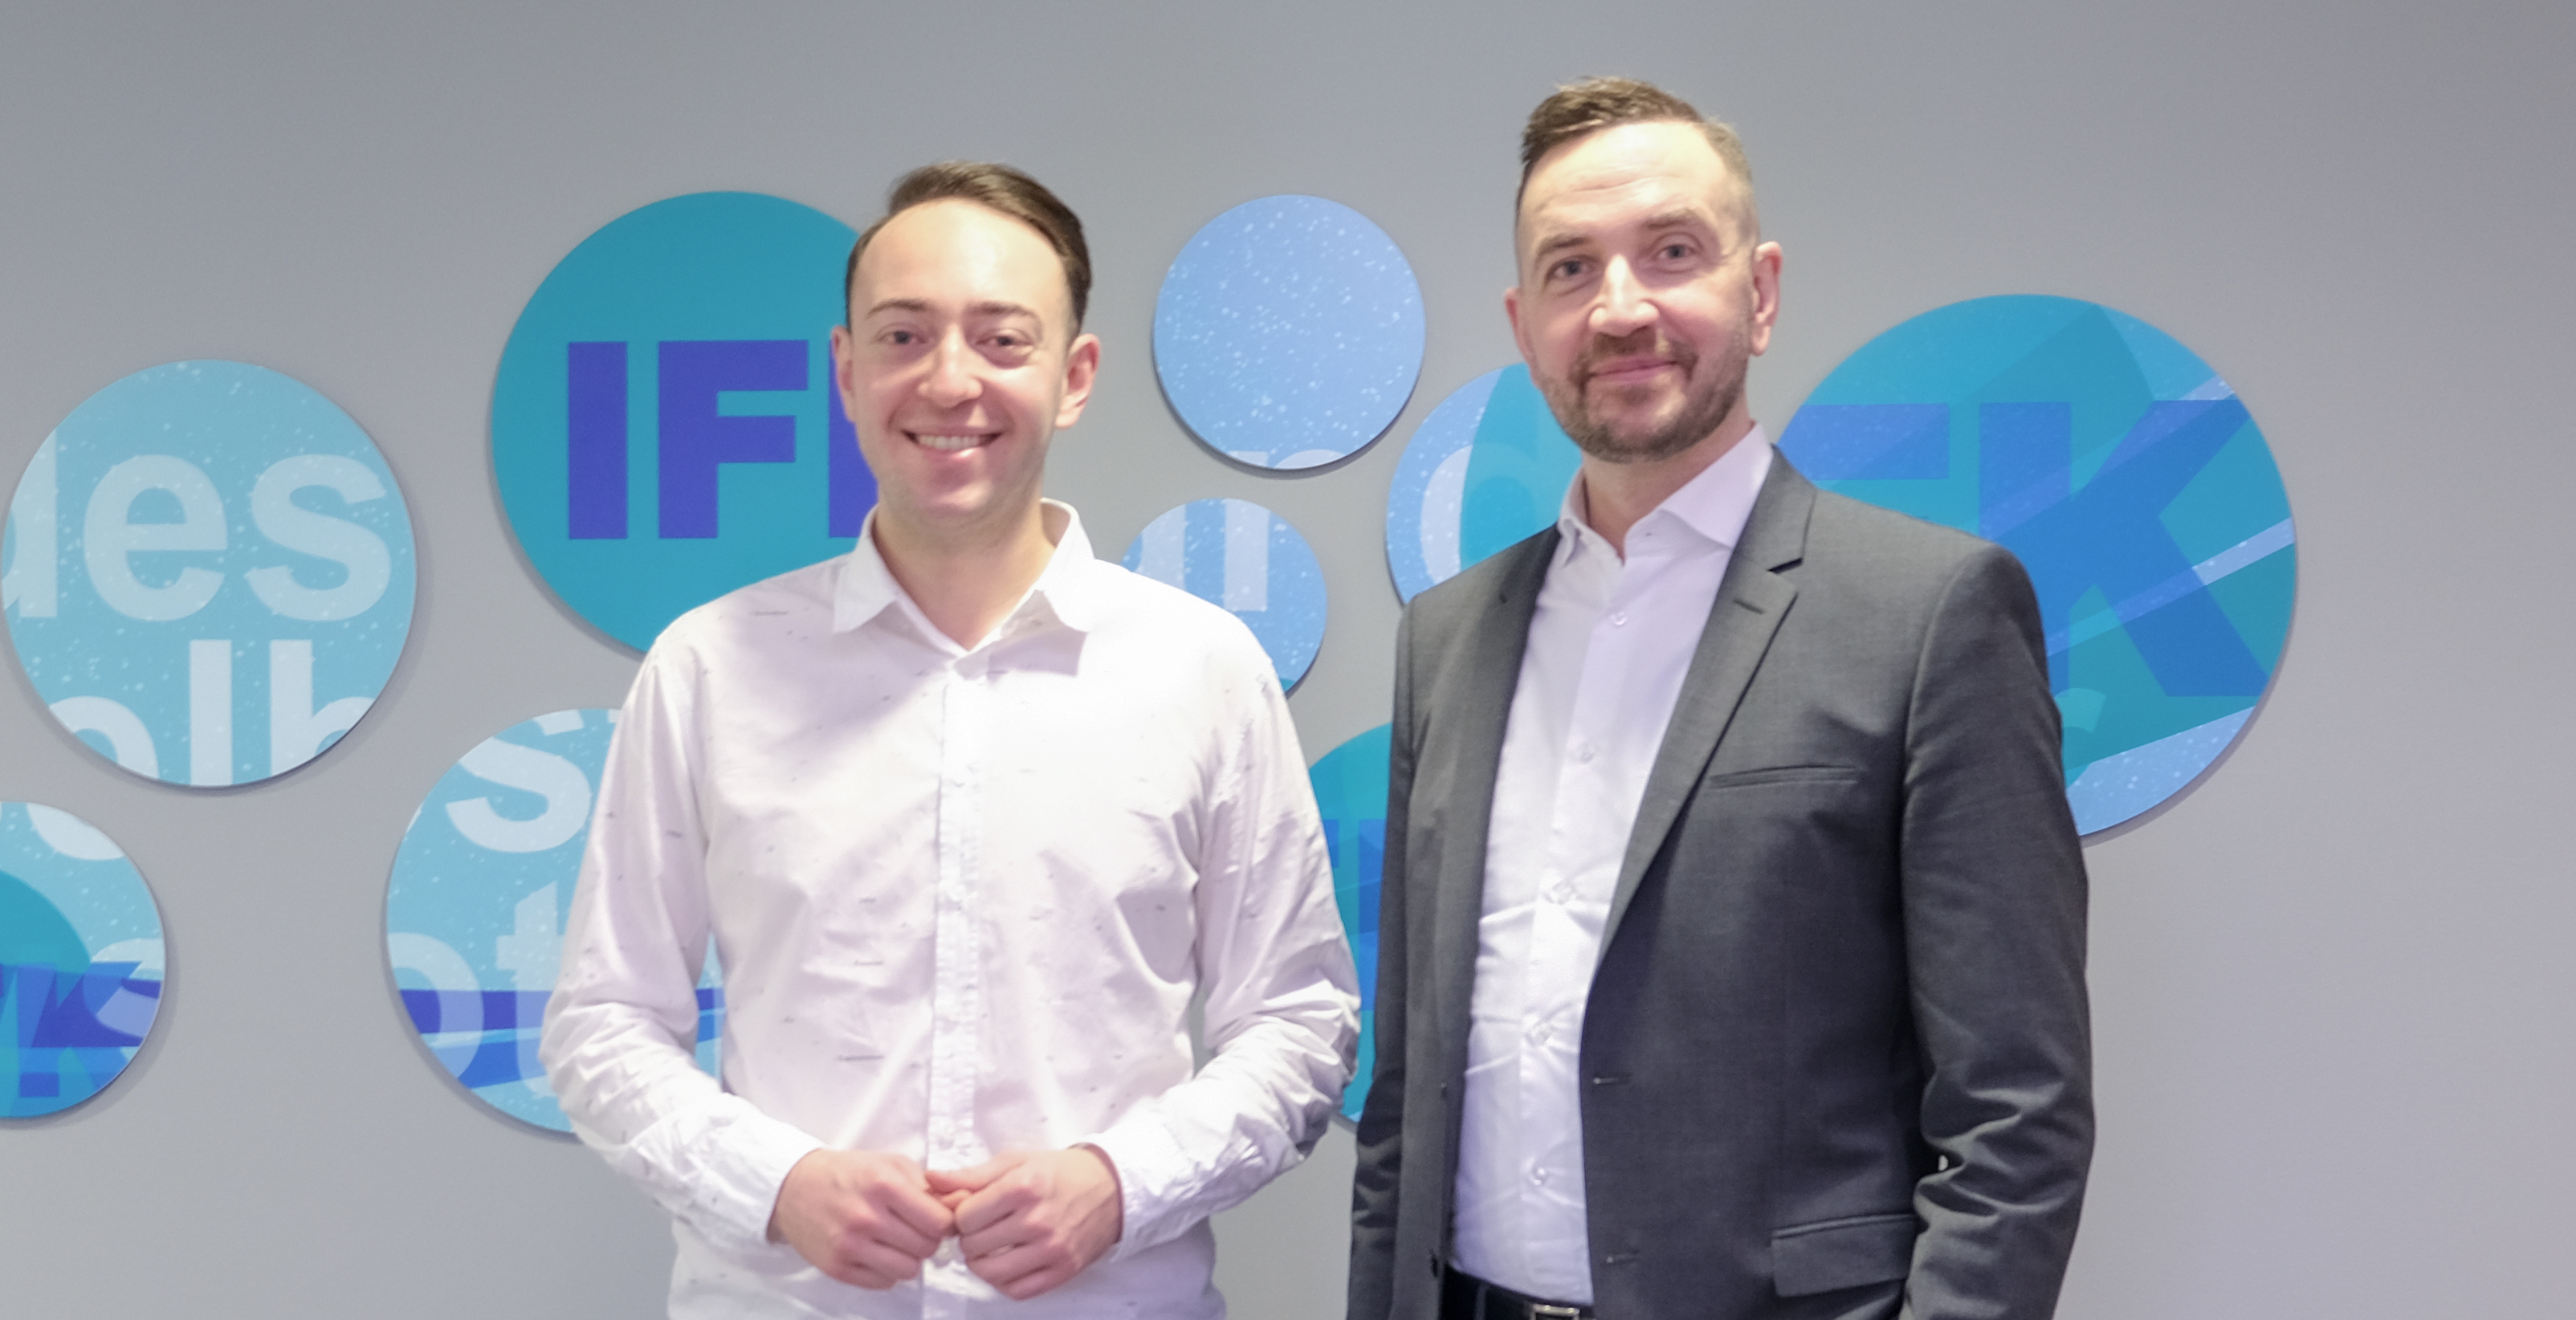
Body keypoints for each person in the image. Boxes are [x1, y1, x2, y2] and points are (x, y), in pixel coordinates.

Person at [543, 161, 1358, 1320]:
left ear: (1075, 377)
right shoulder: (709, 668)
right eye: (904, 336)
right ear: (847, 371)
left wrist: (1123, 1185)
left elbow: (1299, 1021)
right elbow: (604, 1020)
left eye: (1002, 339)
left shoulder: (1203, 669)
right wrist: (774, 1185)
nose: (949, 379)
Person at [1349, 78, 2093, 1320]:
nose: (1620, 307)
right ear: (1525, 324)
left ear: (1761, 291)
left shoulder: (1929, 613)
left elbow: (2017, 1116)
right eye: (1571, 268)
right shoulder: (1447, 636)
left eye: (1673, 252)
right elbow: (1405, 1096)